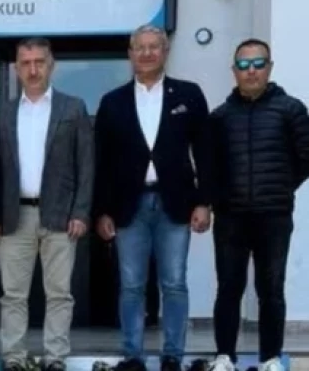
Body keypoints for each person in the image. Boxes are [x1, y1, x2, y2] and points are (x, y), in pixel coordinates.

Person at [93, 24, 213, 371]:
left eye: (153, 47)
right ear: (130, 54)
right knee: (131, 285)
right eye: (140, 47)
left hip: (175, 203)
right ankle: (133, 356)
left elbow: (205, 152)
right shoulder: (112, 102)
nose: (146, 53)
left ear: (165, 51)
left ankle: (172, 356)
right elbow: (102, 162)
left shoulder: (188, 95)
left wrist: (204, 201)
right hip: (128, 206)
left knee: (174, 282)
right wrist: (102, 211)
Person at [0, 37, 93, 371]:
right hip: (14, 216)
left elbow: (86, 165)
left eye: (39, 62)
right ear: (16, 68)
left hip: (60, 215)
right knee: (13, 295)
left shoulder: (72, 108)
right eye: (26, 63)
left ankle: (55, 358)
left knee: (60, 293)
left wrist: (81, 211)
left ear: (51, 65)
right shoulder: (5, 112)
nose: (33, 70)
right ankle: (14, 358)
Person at [207, 38, 309, 371]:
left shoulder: (291, 110)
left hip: (274, 215)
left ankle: (270, 358)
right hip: (231, 217)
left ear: (269, 67)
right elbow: (211, 166)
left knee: (271, 289)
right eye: (244, 65)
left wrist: (280, 187)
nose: (251, 71)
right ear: (234, 70)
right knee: (228, 288)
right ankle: (224, 356)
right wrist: (218, 199)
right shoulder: (220, 116)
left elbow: (305, 158)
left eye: (258, 64)